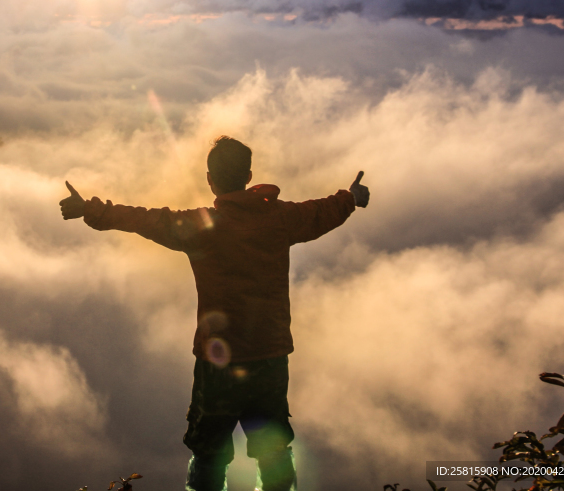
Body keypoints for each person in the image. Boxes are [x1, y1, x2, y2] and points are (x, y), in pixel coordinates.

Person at [59, 136, 369, 491]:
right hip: (269, 357)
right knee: (273, 451)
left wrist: (90, 209)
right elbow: (322, 211)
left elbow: (146, 219)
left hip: (217, 362)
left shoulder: (201, 227)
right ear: (248, 175)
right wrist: (351, 197)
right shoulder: (281, 219)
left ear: (210, 179)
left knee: (209, 454)